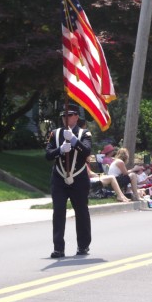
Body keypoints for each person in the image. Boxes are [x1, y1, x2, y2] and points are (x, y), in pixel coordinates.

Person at [45, 104, 92, 258]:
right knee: (58, 212)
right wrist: (60, 150)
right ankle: (58, 248)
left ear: (76, 116)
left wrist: (73, 141)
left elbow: (86, 151)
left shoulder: (84, 133)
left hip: (78, 178)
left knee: (81, 212)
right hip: (59, 178)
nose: (66, 118)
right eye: (64, 116)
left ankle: (83, 245)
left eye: (70, 115)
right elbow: (48, 154)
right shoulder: (55, 133)